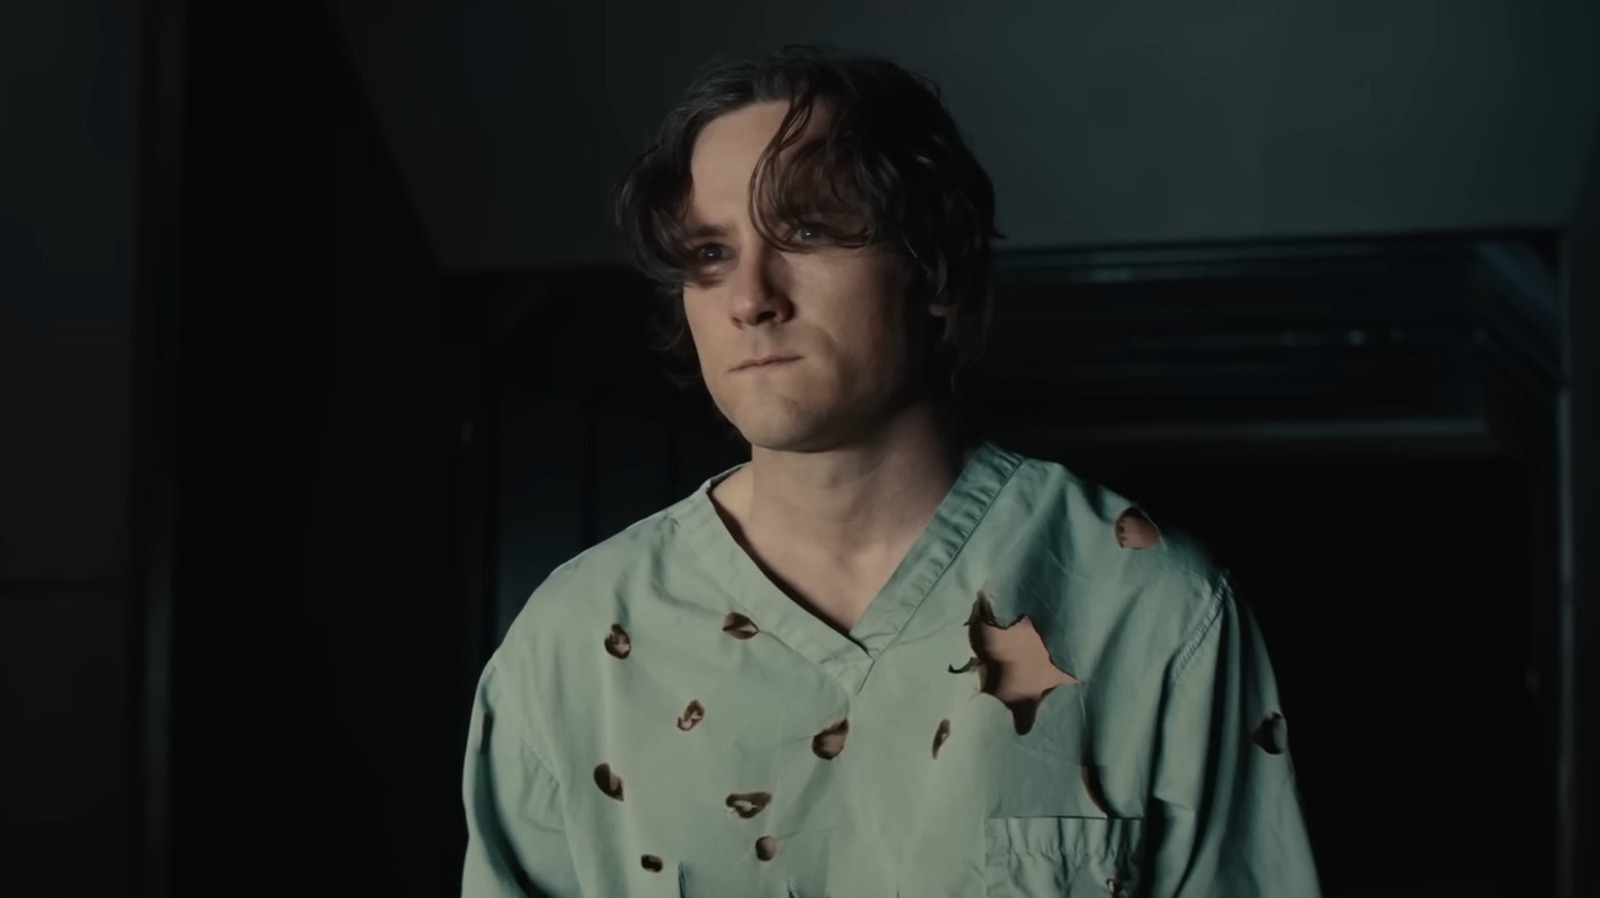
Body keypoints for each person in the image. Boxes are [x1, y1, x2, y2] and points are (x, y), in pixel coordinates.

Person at [461, 44, 1321, 898]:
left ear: (932, 265)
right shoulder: (574, 645)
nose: (750, 298)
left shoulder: (1149, 608)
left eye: (805, 231)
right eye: (711, 253)